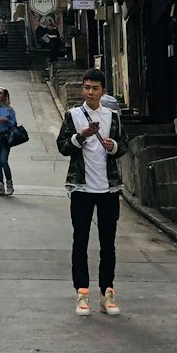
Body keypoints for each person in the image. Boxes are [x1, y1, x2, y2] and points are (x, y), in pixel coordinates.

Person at [57, 68, 126, 317]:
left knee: (108, 243)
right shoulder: (73, 115)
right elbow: (62, 146)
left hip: (108, 187)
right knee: (81, 240)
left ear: (103, 91)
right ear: (82, 89)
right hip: (81, 186)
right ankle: (82, 293)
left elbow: (124, 145)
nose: (90, 92)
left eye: (95, 88)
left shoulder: (112, 116)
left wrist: (113, 146)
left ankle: (107, 293)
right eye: (86, 87)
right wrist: (80, 136)